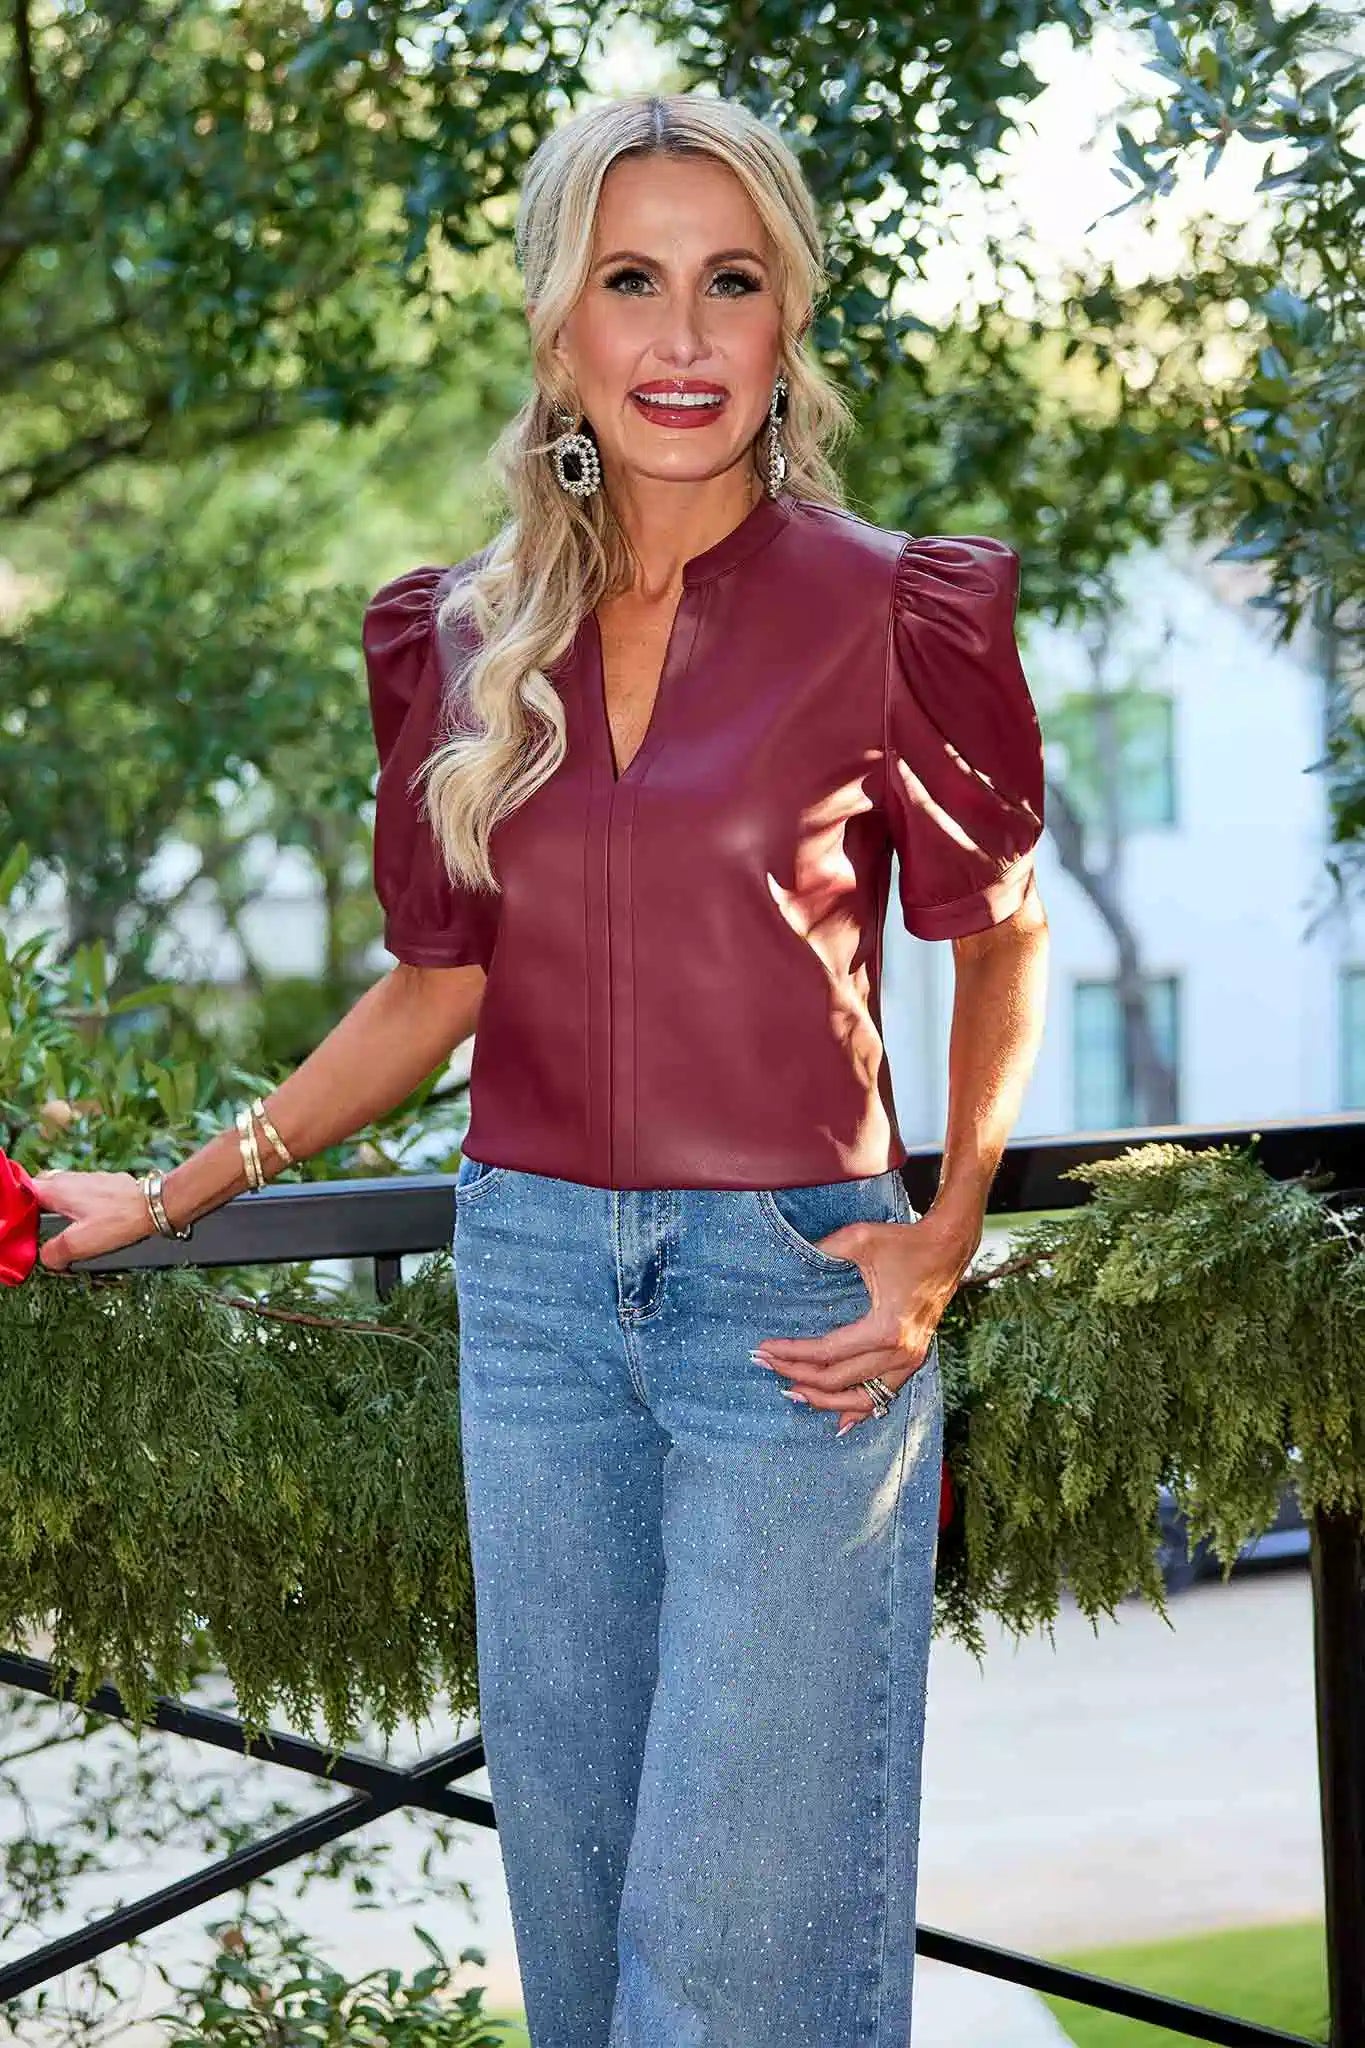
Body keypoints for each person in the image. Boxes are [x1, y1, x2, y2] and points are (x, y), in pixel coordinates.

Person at [31, 89, 1049, 2048]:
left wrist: (937, 1241)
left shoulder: (892, 609)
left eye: (728, 284)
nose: (680, 339)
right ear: (558, 326)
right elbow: (435, 987)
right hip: (528, 1307)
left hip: (789, 1306)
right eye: (630, 282)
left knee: (736, 1969)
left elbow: (995, 933)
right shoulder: (467, 634)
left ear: (784, 319)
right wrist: (170, 1193)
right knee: (581, 1959)